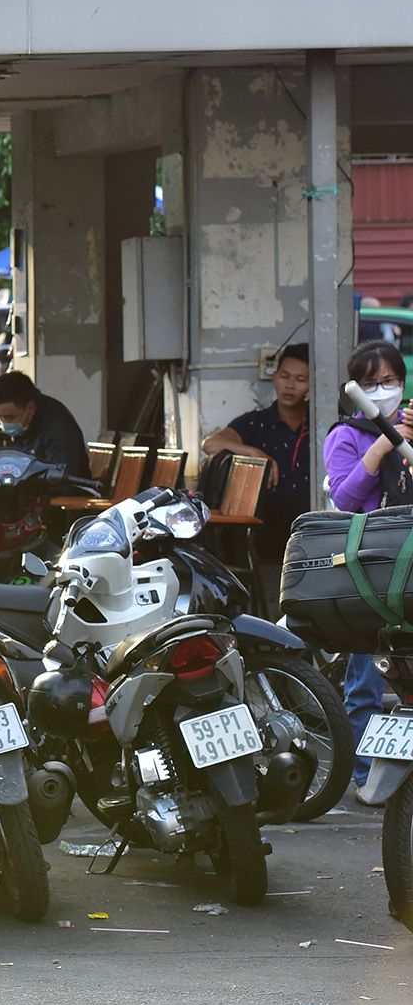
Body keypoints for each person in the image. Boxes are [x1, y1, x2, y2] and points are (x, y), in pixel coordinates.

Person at [321, 339, 407, 791]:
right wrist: (383, 446)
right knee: (365, 681)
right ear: (354, 387)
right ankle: (364, 773)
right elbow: (347, 498)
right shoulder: (346, 436)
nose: (381, 390)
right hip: (367, 571)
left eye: (389, 381)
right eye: (370, 383)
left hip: (409, 565)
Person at [201, 343, 313, 577]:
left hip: (311, 523)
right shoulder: (256, 423)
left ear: (312, 386)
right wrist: (253, 452)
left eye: (301, 379)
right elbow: (210, 444)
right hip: (265, 525)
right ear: (274, 378)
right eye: (284, 376)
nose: (290, 385)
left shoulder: (322, 424)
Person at [0, 370, 89, 478]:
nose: (4, 422)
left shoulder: (58, 428)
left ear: (31, 409)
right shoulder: (26, 424)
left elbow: (63, 477)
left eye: (10, 417)